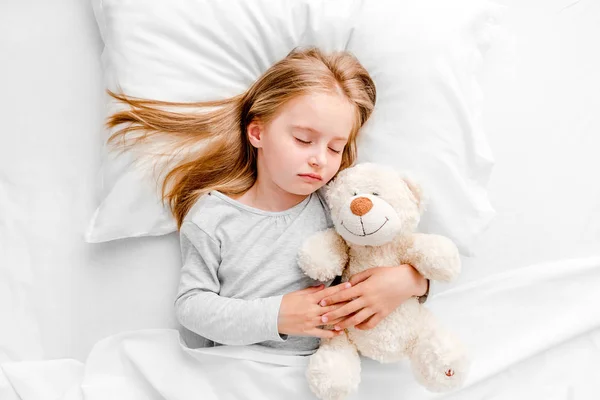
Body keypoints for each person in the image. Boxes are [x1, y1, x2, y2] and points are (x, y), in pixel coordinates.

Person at [105, 47, 429, 356]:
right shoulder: (213, 216)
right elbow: (192, 306)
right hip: (238, 370)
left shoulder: (338, 209)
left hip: (322, 373)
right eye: (303, 139)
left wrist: (411, 281)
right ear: (257, 133)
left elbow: (390, 253)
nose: (319, 159)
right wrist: (277, 316)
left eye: (335, 148)